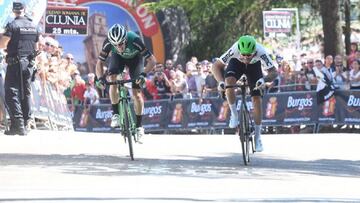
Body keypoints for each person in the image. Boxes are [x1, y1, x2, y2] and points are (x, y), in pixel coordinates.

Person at [212, 35, 278, 152]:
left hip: (254, 67)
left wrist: (264, 80)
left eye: (249, 55)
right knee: (229, 82)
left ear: (254, 51)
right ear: (240, 51)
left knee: (257, 99)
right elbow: (216, 66)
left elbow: (273, 72)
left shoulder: (261, 51)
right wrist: (221, 82)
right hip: (236, 64)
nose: (246, 57)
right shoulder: (235, 49)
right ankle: (234, 115)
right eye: (244, 54)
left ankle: (258, 138)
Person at [95, 24, 156, 141]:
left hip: (136, 60)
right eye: (115, 45)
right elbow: (99, 63)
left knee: (137, 93)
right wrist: (100, 78)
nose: (119, 47)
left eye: (121, 43)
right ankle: (116, 114)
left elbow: (152, 61)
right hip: (117, 59)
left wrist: (143, 74)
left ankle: (139, 126)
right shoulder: (108, 43)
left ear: (125, 40)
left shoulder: (134, 40)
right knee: (112, 78)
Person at [0, 2, 40, 135]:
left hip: (15, 63)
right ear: (25, 10)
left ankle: (18, 124)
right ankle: (25, 122)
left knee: (11, 92)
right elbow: (37, 47)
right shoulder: (34, 26)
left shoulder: (12, 25)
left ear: (13, 11)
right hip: (29, 64)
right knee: (26, 93)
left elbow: (2, 44)